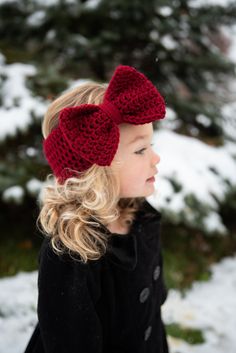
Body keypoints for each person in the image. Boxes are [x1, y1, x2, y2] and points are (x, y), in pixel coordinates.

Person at [24, 65, 169, 353]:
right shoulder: (71, 252)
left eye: (150, 144)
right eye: (140, 150)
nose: (156, 158)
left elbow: (152, 310)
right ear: (95, 170)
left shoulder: (141, 217)